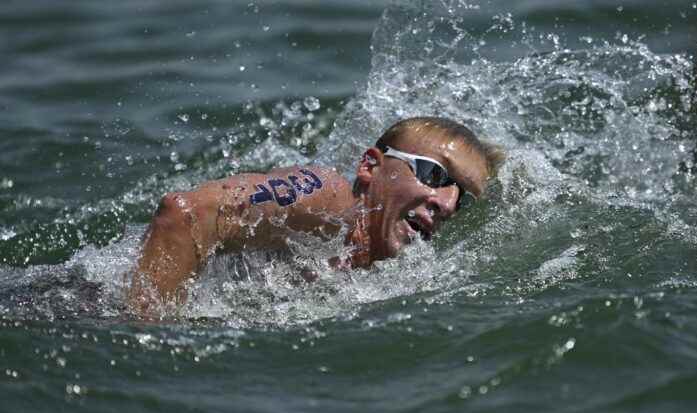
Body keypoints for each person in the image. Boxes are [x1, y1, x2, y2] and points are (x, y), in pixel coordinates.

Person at [129, 117, 505, 316]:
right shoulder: (327, 200)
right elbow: (186, 215)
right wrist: (147, 337)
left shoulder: (391, 273)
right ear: (370, 167)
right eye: (434, 175)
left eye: (462, 197)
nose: (448, 204)